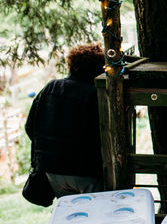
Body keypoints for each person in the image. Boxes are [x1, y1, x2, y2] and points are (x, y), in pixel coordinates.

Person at [25, 43, 106, 197]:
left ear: (72, 64)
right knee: (96, 214)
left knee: (70, 216)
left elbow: (30, 127)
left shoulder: (50, 87)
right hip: (86, 170)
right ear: (98, 68)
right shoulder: (95, 94)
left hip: (52, 172)